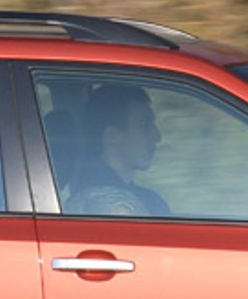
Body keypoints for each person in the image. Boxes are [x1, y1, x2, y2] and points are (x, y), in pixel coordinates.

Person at [65, 84, 170, 216]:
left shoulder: (144, 198)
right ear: (112, 136)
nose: (157, 137)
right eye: (145, 126)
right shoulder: (103, 204)